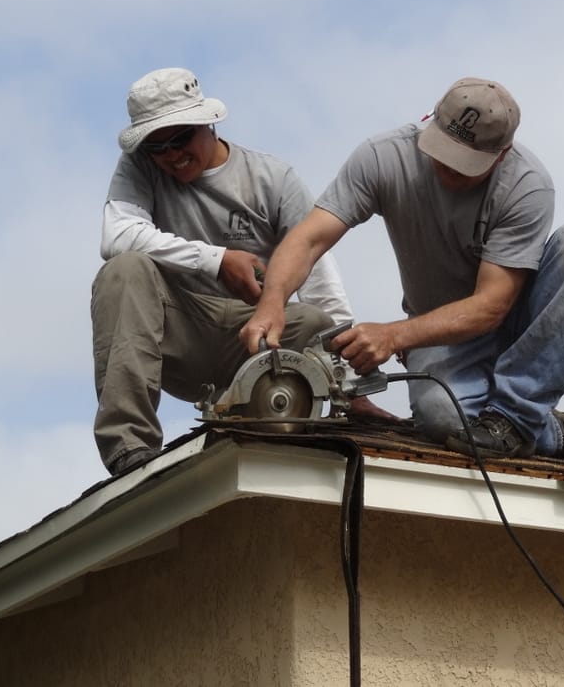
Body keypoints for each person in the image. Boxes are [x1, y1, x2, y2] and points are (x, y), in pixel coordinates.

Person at [241, 77, 564, 462]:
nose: (447, 169)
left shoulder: (527, 185)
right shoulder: (383, 157)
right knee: (444, 420)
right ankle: (546, 431)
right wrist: (272, 302)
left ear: (502, 154)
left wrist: (393, 337)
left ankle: (517, 415)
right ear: (431, 121)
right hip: (440, 332)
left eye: (465, 164)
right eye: (442, 151)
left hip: (518, 324)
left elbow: (492, 306)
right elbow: (309, 238)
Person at [92, 67, 389, 476]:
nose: (172, 156)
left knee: (317, 323)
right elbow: (118, 236)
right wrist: (217, 260)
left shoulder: (271, 179)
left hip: (257, 343)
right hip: (180, 332)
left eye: (180, 139)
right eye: (157, 147)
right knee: (123, 271)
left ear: (208, 122)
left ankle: (273, 436)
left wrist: (353, 380)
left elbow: (318, 274)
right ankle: (129, 448)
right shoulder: (140, 168)